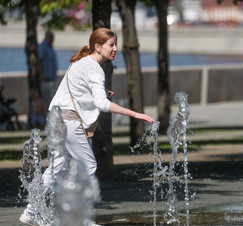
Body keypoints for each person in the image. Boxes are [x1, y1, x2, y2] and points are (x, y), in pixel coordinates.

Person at [20, 28, 155, 225]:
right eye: (111, 45)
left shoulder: (80, 62)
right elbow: (102, 105)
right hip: (69, 122)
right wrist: (135, 114)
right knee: (88, 166)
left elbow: (73, 89)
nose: (115, 48)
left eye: (116, 44)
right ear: (98, 47)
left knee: (56, 167)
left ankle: (31, 211)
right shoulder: (94, 68)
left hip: (57, 120)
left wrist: (98, 92)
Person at [39, 31, 58, 109]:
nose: (52, 39)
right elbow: (39, 61)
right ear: (46, 37)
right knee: (46, 101)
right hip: (45, 79)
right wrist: (41, 75)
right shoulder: (42, 46)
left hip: (51, 79)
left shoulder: (50, 47)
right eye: (50, 38)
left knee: (51, 101)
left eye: (52, 38)